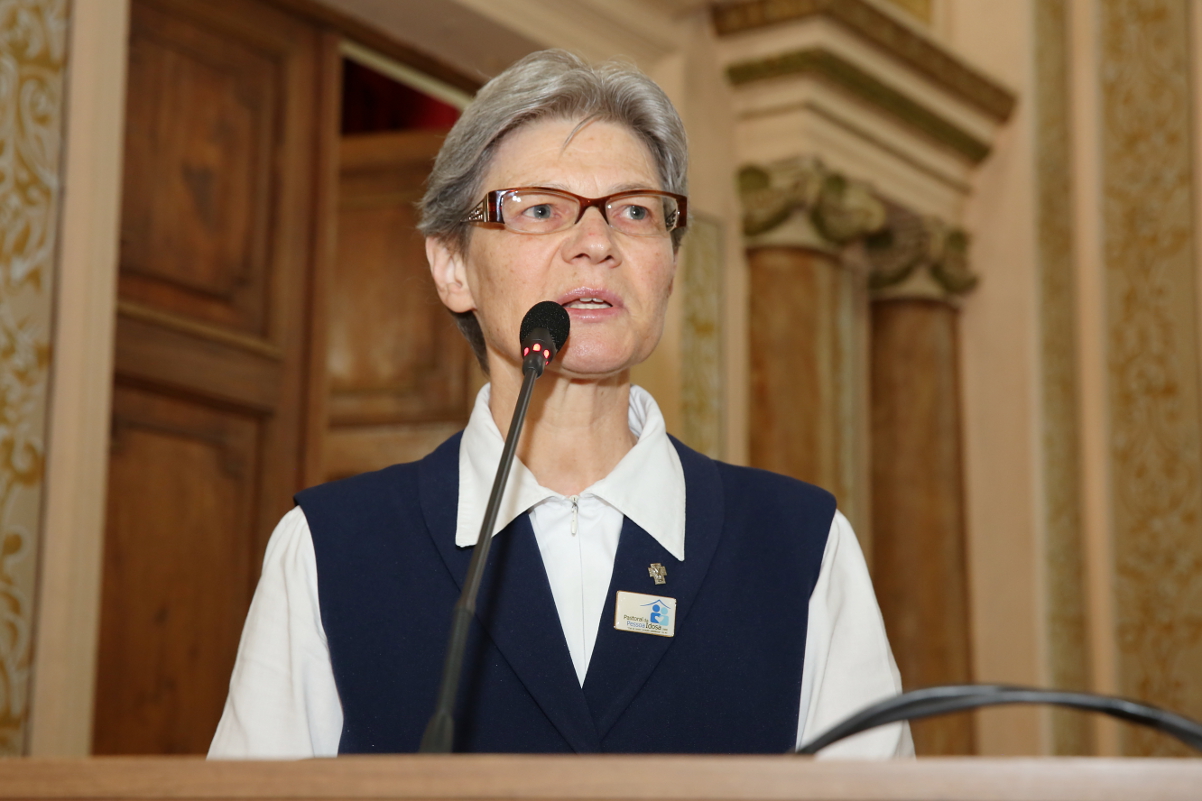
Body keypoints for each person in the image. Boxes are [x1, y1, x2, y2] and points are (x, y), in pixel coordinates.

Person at [209, 50, 912, 759]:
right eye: (541, 209)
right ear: (453, 267)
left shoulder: (801, 546)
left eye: (635, 211)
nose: (597, 243)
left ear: (670, 266)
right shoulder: (329, 549)